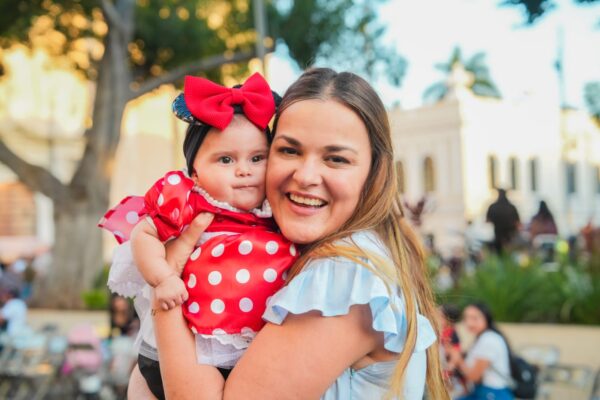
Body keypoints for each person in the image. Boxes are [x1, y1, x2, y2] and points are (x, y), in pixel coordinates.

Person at [141, 68, 449, 399]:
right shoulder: (322, 253)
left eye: (336, 159)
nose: (305, 176)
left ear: (374, 174)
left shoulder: (345, 279)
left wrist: (165, 284)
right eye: (289, 150)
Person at [99, 73, 297, 399]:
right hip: (184, 345)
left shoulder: (276, 210)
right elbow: (143, 234)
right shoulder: (190, 201)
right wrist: (163, 278)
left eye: (257, 158)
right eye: (225, 159)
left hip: (246, 350)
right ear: (195, 172)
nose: (244, 169)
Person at [447, 303, 514, 400]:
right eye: (466, 318)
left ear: (486, 317)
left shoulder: (489, 339)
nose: (469, 323)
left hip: (492, 394)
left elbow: (474, 377)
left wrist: (458, 359)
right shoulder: (483, 337)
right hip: (485, 392)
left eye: (474, 318)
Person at [486, 189, 520, 254]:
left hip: (498, 234)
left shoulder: (493, 207)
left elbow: (488, 220)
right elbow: (517, 222)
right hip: (510, 235)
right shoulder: (512, 207)